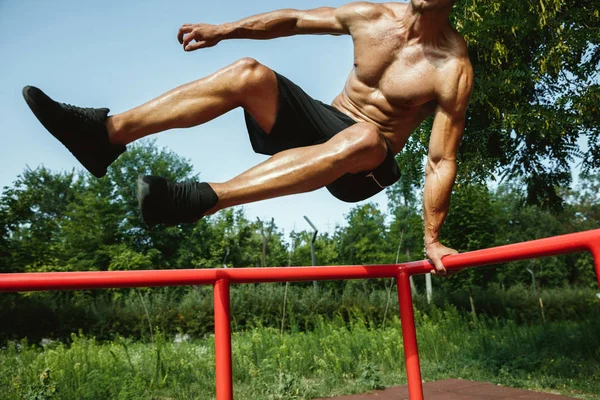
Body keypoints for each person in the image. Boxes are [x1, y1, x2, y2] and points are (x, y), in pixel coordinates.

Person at [22, 0, 473, 274]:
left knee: (365, 138)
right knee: (248, 73)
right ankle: (105, 135)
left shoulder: (451, 68)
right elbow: (294, 19)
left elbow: (440, 160)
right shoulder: (369, 18)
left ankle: (202, 198)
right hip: (326, 126)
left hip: (365, 166)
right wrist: (224, 30)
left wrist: (432, 238)